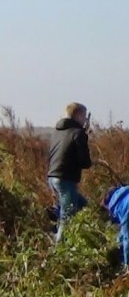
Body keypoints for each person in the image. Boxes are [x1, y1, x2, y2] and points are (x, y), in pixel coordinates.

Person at [46, 102, 92, 242]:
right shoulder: (78, 133)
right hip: (65, 179)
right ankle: (58, 252)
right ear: (78, 115)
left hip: (52, 178)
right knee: (67, 217)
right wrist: (85, 136)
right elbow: (85, 162)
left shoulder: (57, 132)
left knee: (82, 205)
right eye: (84, 116)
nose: (85, 119)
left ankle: (59, 231)